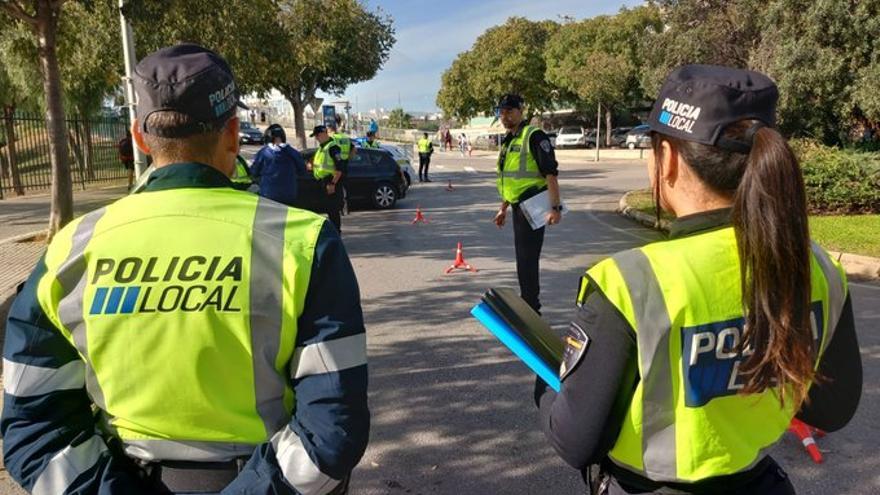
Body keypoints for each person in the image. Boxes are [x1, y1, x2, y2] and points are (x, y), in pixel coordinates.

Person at [1, 43, 369, 495]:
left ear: (139, 138)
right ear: (233, 134)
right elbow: (331, 429)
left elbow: (34, 426)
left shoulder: (71, 250)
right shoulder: (306, 243)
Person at [535, 65, 862, 495]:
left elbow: (575, 440)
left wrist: (544, 384)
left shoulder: (629, 283)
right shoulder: (818, 268)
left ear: (667, 159)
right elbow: (832, 410)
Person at [493, 94, 562, 314]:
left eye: (509, 111)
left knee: (527, 259)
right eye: (501, 112)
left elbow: (550, 173)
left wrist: (556, 208)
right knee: (523, 259)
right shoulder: (509, 140)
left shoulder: (534, 136)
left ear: (520, 111)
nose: (505, 116)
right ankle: (529, 303)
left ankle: (532, 307)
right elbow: (510, 177)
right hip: (516, 206)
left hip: (533, 204)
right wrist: (503, 207)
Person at [250, 124, 305, 205]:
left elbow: (254, 171)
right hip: (289, 195)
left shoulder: (264, 153)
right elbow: (302, 170)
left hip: (268, 194)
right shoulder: (293, 153)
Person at [310, 124, 347, 232]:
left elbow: (340, 167)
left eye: (317, 135)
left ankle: (336, 234)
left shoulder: (333, 147)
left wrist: (332, 183)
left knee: (333, 211)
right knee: (329, 210)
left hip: (330, 182)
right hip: (323, 182)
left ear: (323, 134)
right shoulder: (322, 148)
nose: (316, 138)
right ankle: (334, 233)